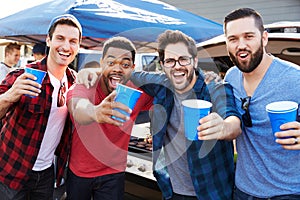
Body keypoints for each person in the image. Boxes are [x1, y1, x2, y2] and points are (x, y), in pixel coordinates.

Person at [0, 14, 82, 200]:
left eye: (72, 41)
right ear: (48, 40)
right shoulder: (22, 74)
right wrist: (10, 96)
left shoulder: (74, 81)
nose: (66, 46)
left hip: (46, 174)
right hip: (11, 170)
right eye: (60, 38)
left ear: (78, 46)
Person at [223, 8, 300, 199]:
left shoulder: (295, 78)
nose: (241, 45)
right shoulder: (231, 77)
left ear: (264, 38)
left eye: (248, 36)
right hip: (243, 190)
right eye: (233, 39)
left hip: (287, 192)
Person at [66, 36, 153, 200]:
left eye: (125, 65)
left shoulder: (138, 92)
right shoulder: (86, 84)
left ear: (133, 68)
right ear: (102, 63)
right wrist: (95, 112)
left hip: (113, 173)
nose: (118, 69)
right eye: (111, 62)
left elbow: (167, 93)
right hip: (80, 172)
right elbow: (76, 107)